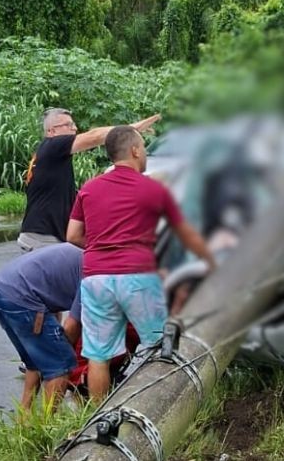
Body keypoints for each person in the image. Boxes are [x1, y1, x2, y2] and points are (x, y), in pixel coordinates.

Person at [67, 124, 215, 399]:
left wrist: (103, 249)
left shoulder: (89, 188)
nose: (145, 153)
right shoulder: (152, 189)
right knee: (160, 345)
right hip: (138, 277)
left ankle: (99, 415)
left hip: (96, 278)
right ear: (134, 150)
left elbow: (72, 235)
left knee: (98, 354)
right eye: (144, 147)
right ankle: (162, 404)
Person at [20, 107, 160, 252]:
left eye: (73, 124)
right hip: (43, 237)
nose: (74, 129)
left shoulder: (50, 155)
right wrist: (129, 130)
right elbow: (94, 136)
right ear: (51, 131)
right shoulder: (52, 146)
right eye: (68, 125)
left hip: (42, 235)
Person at [0, 243, 84, 411]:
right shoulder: (93, 276)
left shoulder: (81, 256)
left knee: (35, 361)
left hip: (0, 288)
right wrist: (61, 353)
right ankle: (45, 428)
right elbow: (72, 326)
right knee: (61, 365)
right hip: (22, 296)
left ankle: (24, 419)